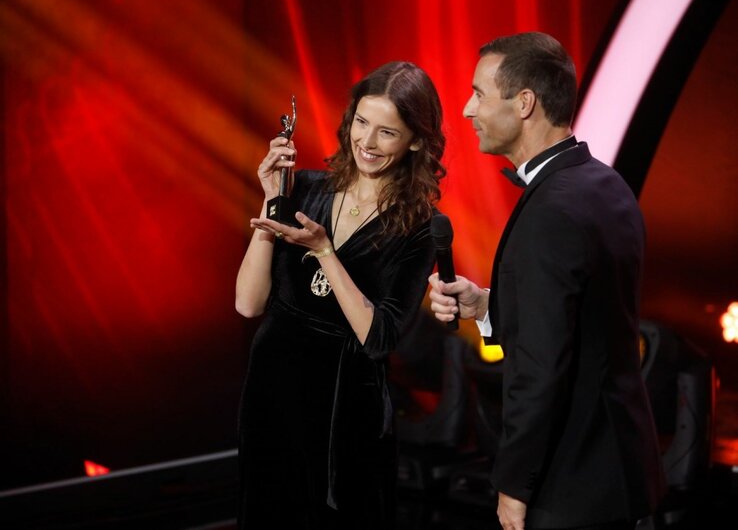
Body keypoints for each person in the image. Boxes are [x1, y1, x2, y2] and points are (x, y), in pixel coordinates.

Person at [428, 32, 666, 530]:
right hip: (618, 469)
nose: (467, 110)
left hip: (570, 483)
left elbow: (541, 366)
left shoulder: (552, 209)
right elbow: (580, 317)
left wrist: (514, 484)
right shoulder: (605, 184)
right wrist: (488, 304)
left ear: (525, 103)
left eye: (479, 94)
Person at [235, 61, 447, 529]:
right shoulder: (307, 187)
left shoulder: (420, 229)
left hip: (345, 410)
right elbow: (248, 304)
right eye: (361, 122)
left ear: (415, 140)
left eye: (387, 132)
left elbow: (379, 339)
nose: (367, 143)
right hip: (273, 391)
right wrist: (272, 202)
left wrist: (325, 251)